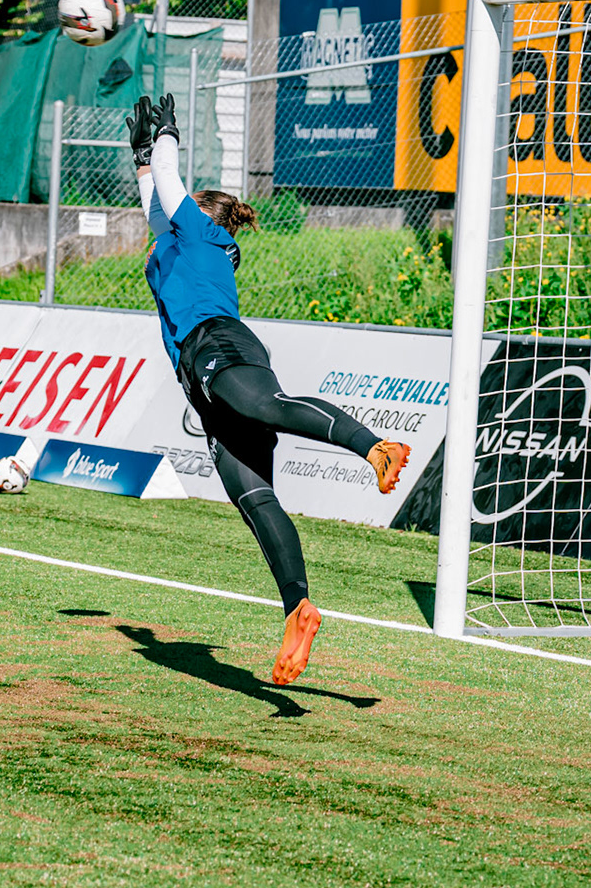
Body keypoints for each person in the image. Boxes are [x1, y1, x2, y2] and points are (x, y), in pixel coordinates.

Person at [128, 93, 411, 687]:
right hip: (198, 376)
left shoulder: (201, 236)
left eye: (174, 208)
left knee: (267, 407)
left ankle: (374, 448)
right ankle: (298, 608)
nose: (164, 212)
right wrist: (141, 160)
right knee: (253, 498)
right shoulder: (171, 241)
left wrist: (166, 141)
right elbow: (155, 205)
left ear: (197, 216)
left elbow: (171, 186)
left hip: (220, 345)